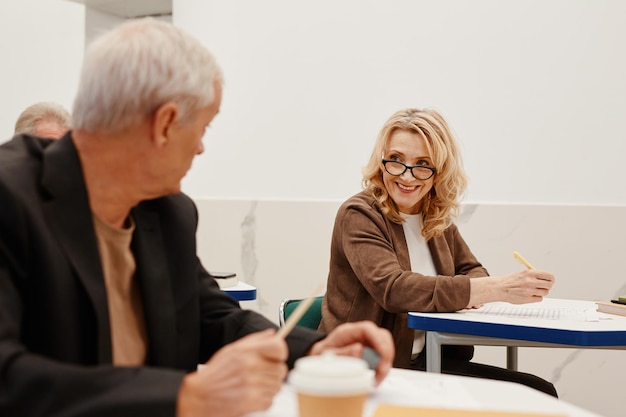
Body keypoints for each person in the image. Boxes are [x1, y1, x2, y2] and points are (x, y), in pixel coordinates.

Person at [0, 19, 394, 417]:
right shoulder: (9, 198)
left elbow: (211, 316)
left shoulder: (168, 212)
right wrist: (182, 396)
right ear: (165, 123)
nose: (202, 147)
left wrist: (313, 349)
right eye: (203, 126)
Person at [318, 107, 558, 397]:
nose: (406, 176)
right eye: (395, 160)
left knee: (538, 392)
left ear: (439, 172)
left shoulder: (434, 218)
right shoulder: (360, 214)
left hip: (429, 362)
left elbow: (473, 271)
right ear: (381, 163)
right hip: (369, 368)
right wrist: (493, 289)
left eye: (422, 164)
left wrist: (473, 289)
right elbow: (395, 289)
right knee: (528, 395)